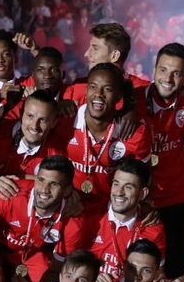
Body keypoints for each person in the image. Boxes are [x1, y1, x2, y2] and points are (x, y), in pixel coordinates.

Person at [0, 155, 88, 282]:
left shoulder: (73, 219)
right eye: (41, 180)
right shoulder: (11, 194)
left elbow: (56, 269)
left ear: (67, 190)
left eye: (54, 184)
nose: (44, 189)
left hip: (33, 257)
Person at [137, 43, 184, 277]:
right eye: (163, 70)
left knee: (175, 270)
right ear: (154, 70)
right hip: (142, 201)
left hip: (178, 201)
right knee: (141, 269)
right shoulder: (134, 100)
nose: (168, 78)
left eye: (176, 73)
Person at [64, 63, 152, 211]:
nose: (98, 94)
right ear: (85, 91)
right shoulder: (65, 122)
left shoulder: (136, 132)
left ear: (119, 96)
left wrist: (145, 206)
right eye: (93, 87)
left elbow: (145, 176)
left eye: (108, 89)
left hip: (111, 212)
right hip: (70, 208)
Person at [86, 158, 166, 282]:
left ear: (142, 194)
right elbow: (67, 265)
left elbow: (158, 275)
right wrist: (92, 274)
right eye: (116, 184)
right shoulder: (89, 216)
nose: (119, 192)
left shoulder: (153, 229)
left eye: (128, 187)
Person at [0, 90, 67, 185]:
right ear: (21, 114)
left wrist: (23, 178)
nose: (35, 126)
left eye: (43, 120)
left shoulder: (56, 153)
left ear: (54, 123)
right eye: (30, 116)